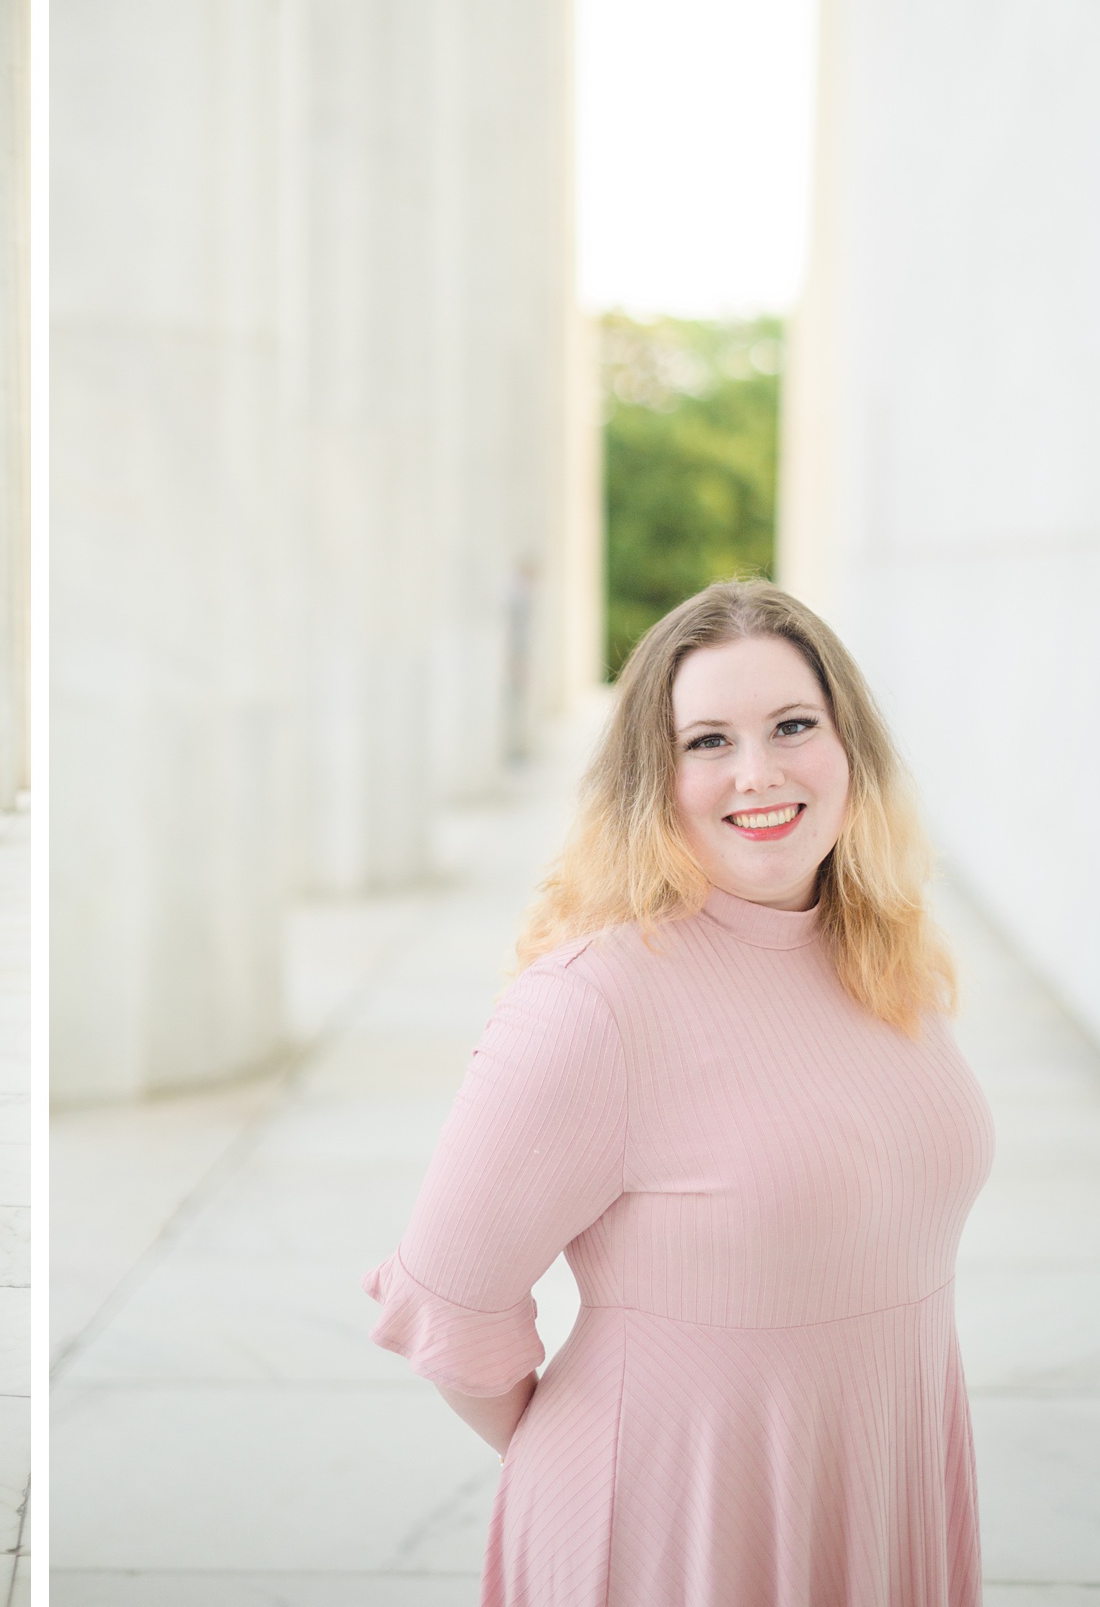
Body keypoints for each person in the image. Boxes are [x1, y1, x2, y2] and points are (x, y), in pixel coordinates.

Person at [364, 579, 993, 1604]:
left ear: (849, 748)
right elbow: (449, 1305)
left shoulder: (881, 952)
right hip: (673, 1522)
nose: (759, 772)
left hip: (883, 1484)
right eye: (707, 741)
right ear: (653, 778)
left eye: (793, 724)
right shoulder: (593, 1001)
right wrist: (633, 1458)